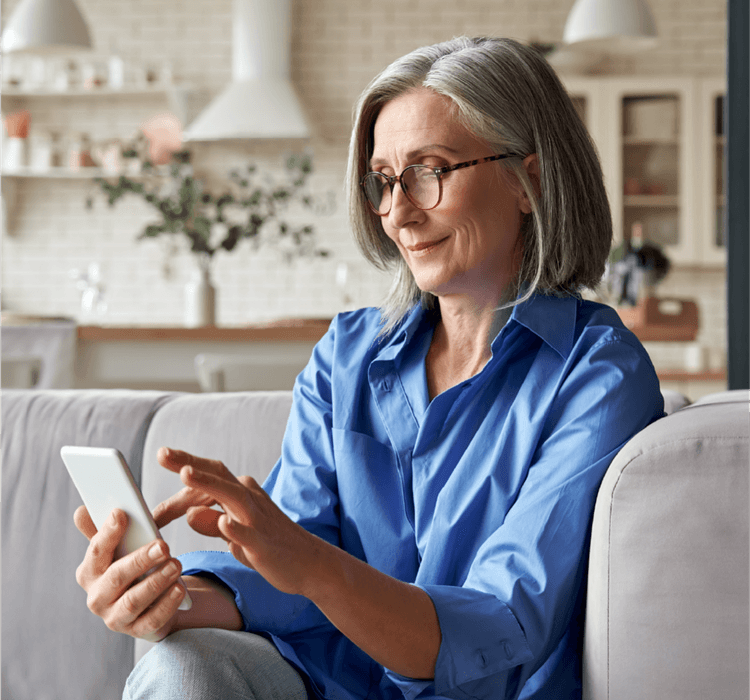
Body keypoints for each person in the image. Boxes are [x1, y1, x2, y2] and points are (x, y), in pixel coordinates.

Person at [74, 36, 664, 700]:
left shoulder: (597, 375)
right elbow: (292, 575)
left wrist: (310, 566)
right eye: (384, 180)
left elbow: (503, 624)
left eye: (429, 170)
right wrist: (168, 594)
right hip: (328, 686)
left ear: (528, 181)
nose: (398, 212)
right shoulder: (347, 354)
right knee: (179, 662)